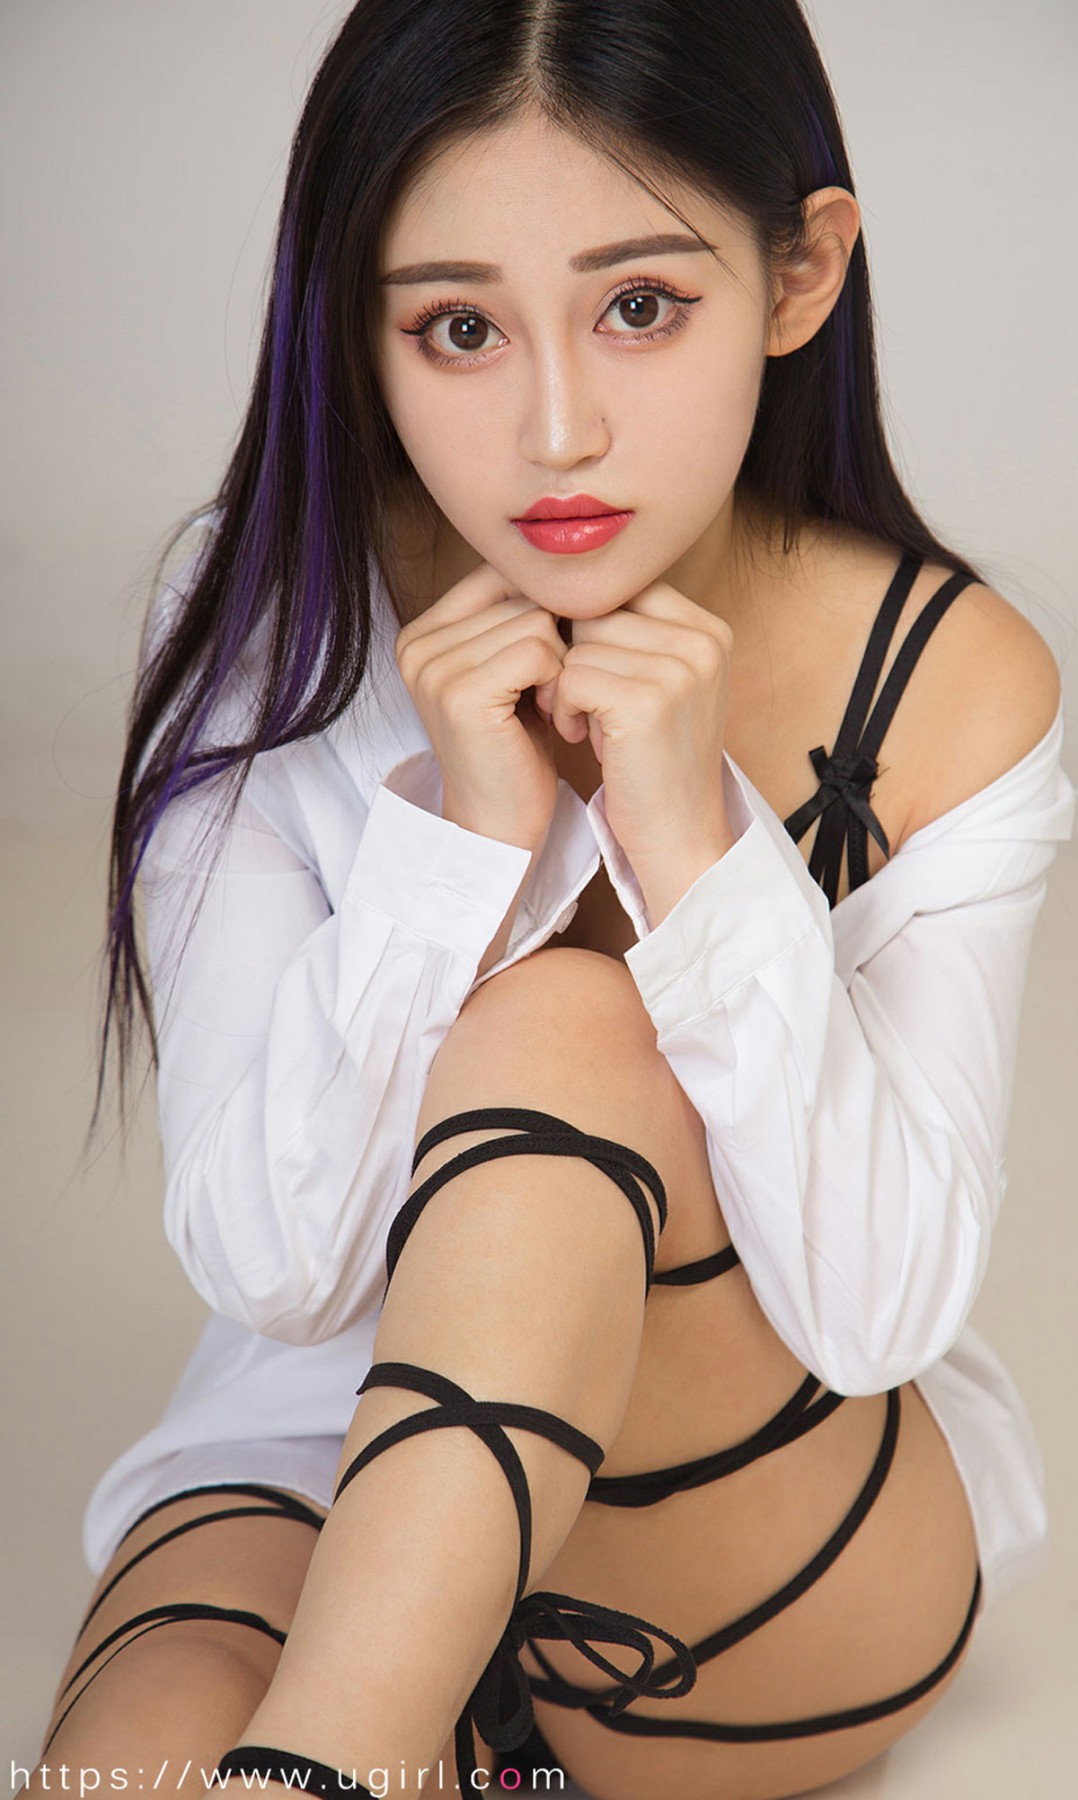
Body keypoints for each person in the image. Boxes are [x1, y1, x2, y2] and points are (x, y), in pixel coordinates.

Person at [23, 2, 1074, 1797]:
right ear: (354, 325)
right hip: (331, 1461)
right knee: (140, 1751)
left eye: (638, 306)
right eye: (457, 327)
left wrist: (690, 843)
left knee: (569, 1026)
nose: (556, 429)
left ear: (799, 273)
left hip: (755, 1529)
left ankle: (337, 1761)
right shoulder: (270, 615)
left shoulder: (951, 680)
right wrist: (463, 840)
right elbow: (278, 1273)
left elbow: (876, 1312)